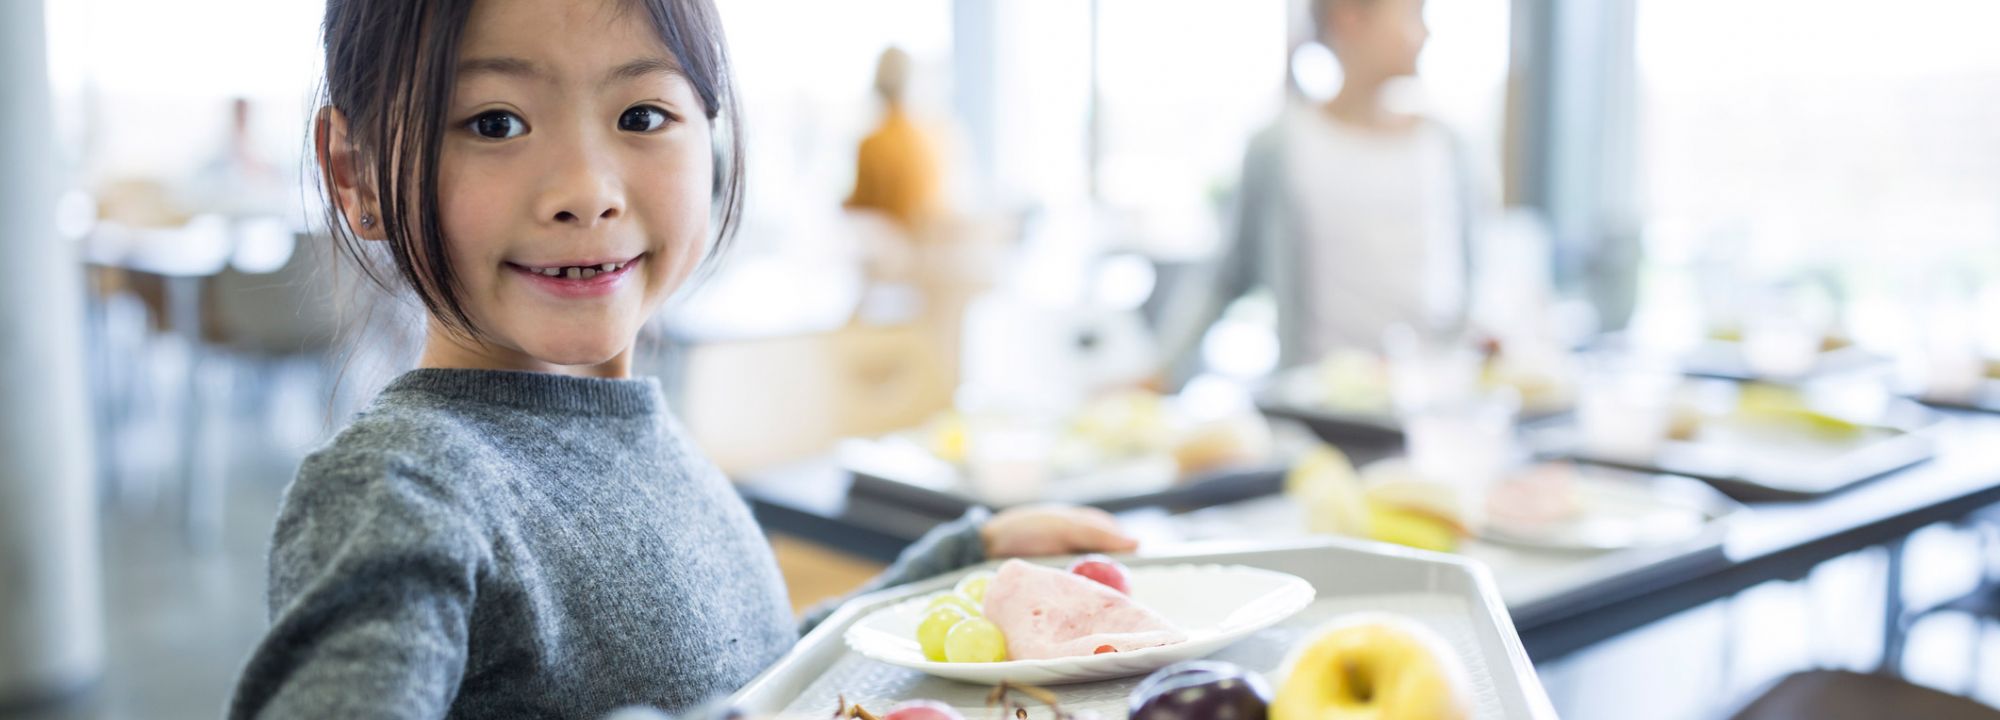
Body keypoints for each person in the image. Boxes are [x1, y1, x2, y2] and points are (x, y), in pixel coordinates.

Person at [226, 2, 1135, 717]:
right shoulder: (403, 486)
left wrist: (954, 568)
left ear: (712, 135)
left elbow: (752, 680)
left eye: (641, 113)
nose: (586, 190)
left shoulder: (636, 433)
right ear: (354, 172)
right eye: (495, 122)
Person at [1161, 0, 1489, 383]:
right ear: (1349, 17)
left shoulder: (1446, 146)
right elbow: (1227, 277)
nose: (1425, 34)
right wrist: (1163, 370)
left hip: (1434, 398)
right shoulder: (1280, 145)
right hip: (1318, 407)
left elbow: (1472, 280)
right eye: (1412, 15)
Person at [844, 46, 946, 230]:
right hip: (925, 243)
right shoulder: (931, 140)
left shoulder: (872, 144)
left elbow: (862, 203)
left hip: (889, 246)